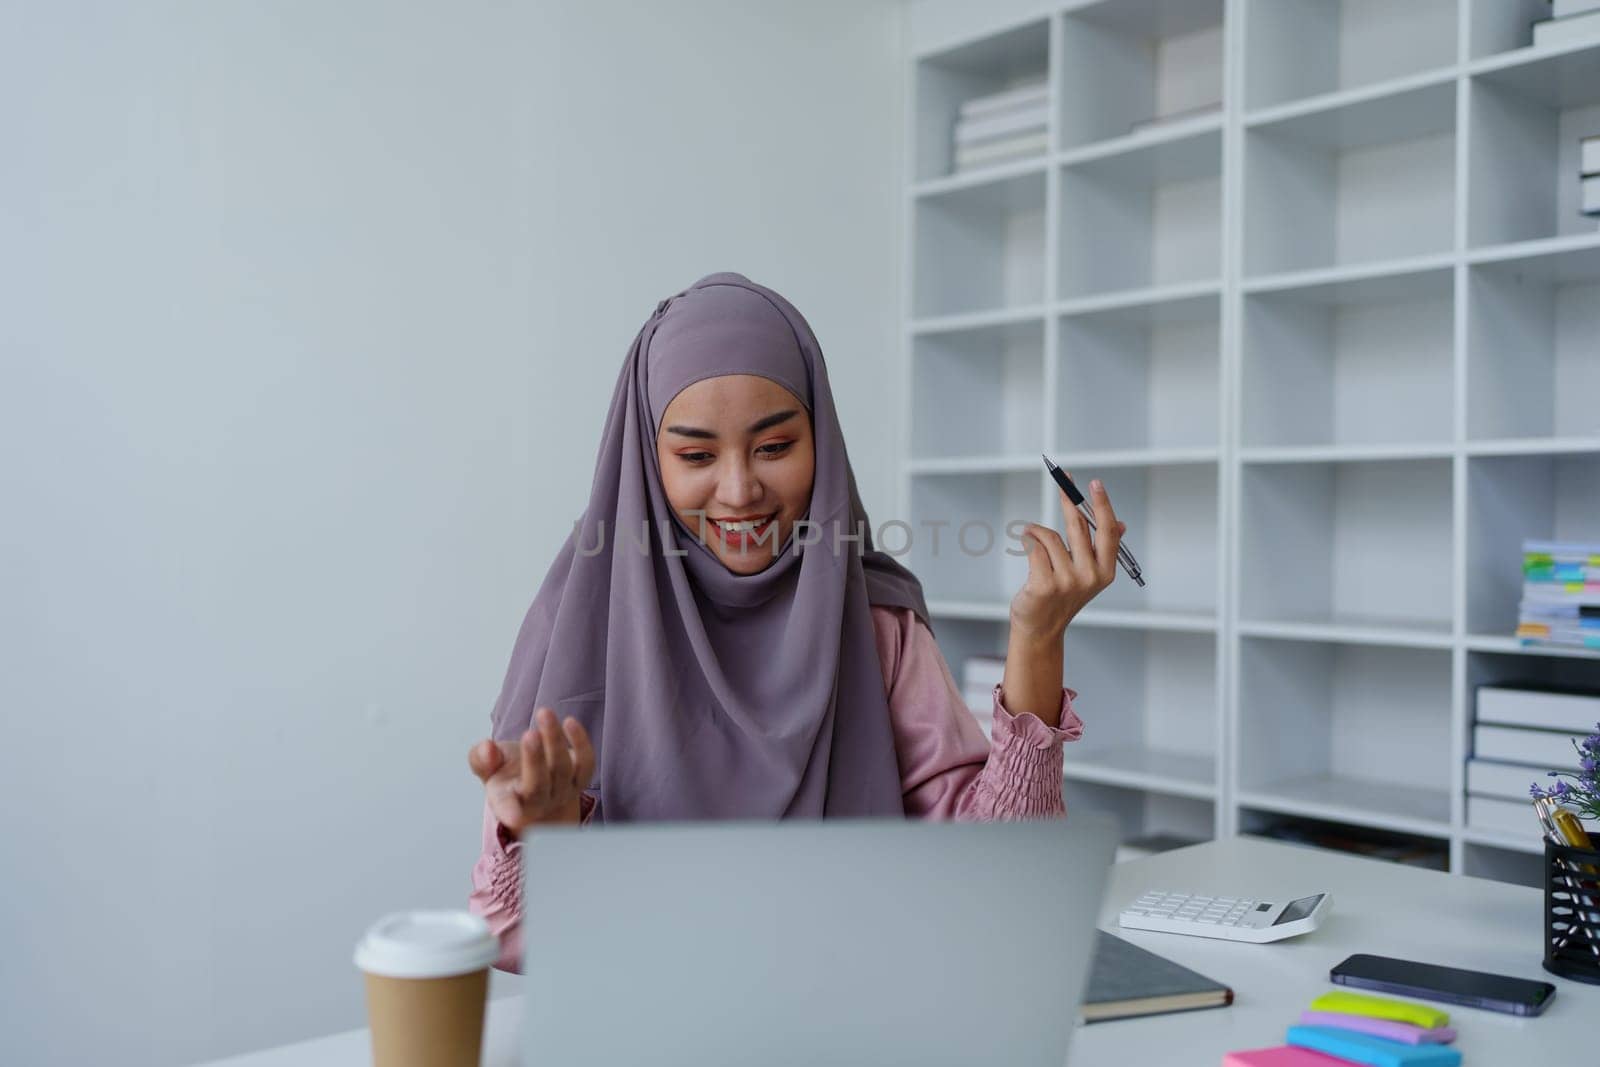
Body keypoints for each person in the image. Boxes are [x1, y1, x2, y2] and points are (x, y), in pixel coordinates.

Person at [466, 272, 1125, 972]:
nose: (740, 489)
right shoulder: (582, 633)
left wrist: (1039, 640)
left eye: (775, 446)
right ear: (646, 461)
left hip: (852, 1009)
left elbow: (1004, 883)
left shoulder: (875, 622)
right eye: (695, 455)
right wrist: (543, 837)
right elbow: (509, 937)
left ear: (822, 442)